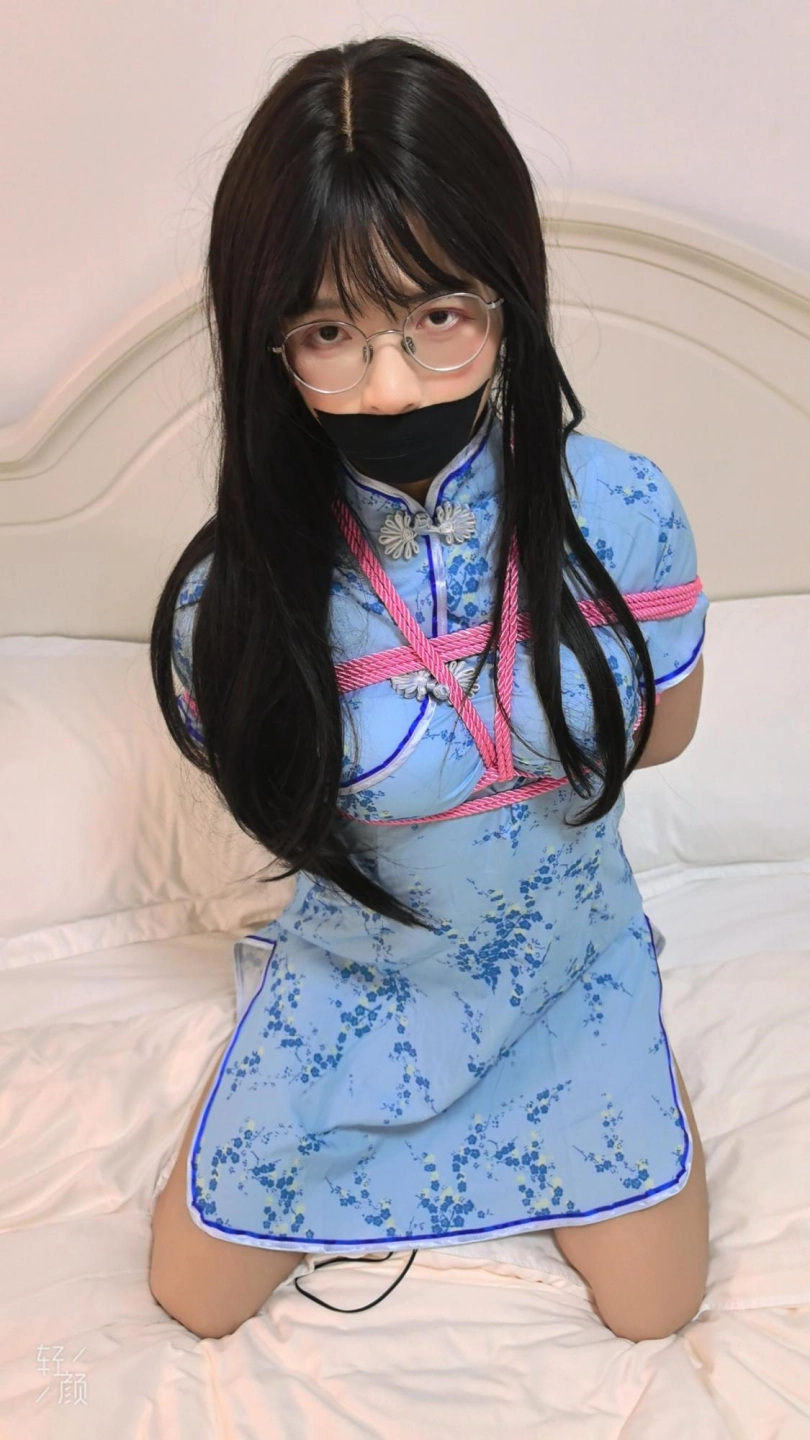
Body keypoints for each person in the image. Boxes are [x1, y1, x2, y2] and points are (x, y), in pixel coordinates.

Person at [148, 35, 710, 1343]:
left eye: (437, 317)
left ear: (507, 291)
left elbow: (664, 738)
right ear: (267, 344)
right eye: (329, 333)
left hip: (568, 972)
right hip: (359, 985)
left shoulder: (625, 514)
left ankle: (625, 1046)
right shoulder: (226, 605)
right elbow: (267, 791)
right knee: (190, 1302)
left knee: (654, 1317)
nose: (390, 381)